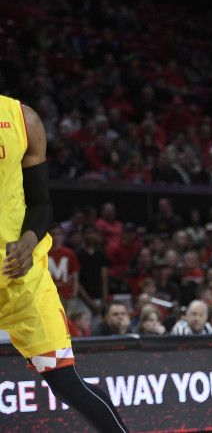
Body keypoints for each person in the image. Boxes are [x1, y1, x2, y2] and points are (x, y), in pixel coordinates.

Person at [0, 96, 128, 431]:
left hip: (22, 281)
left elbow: (41, 202)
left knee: (67, 383)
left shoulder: (22, 119)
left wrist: (30, 238)